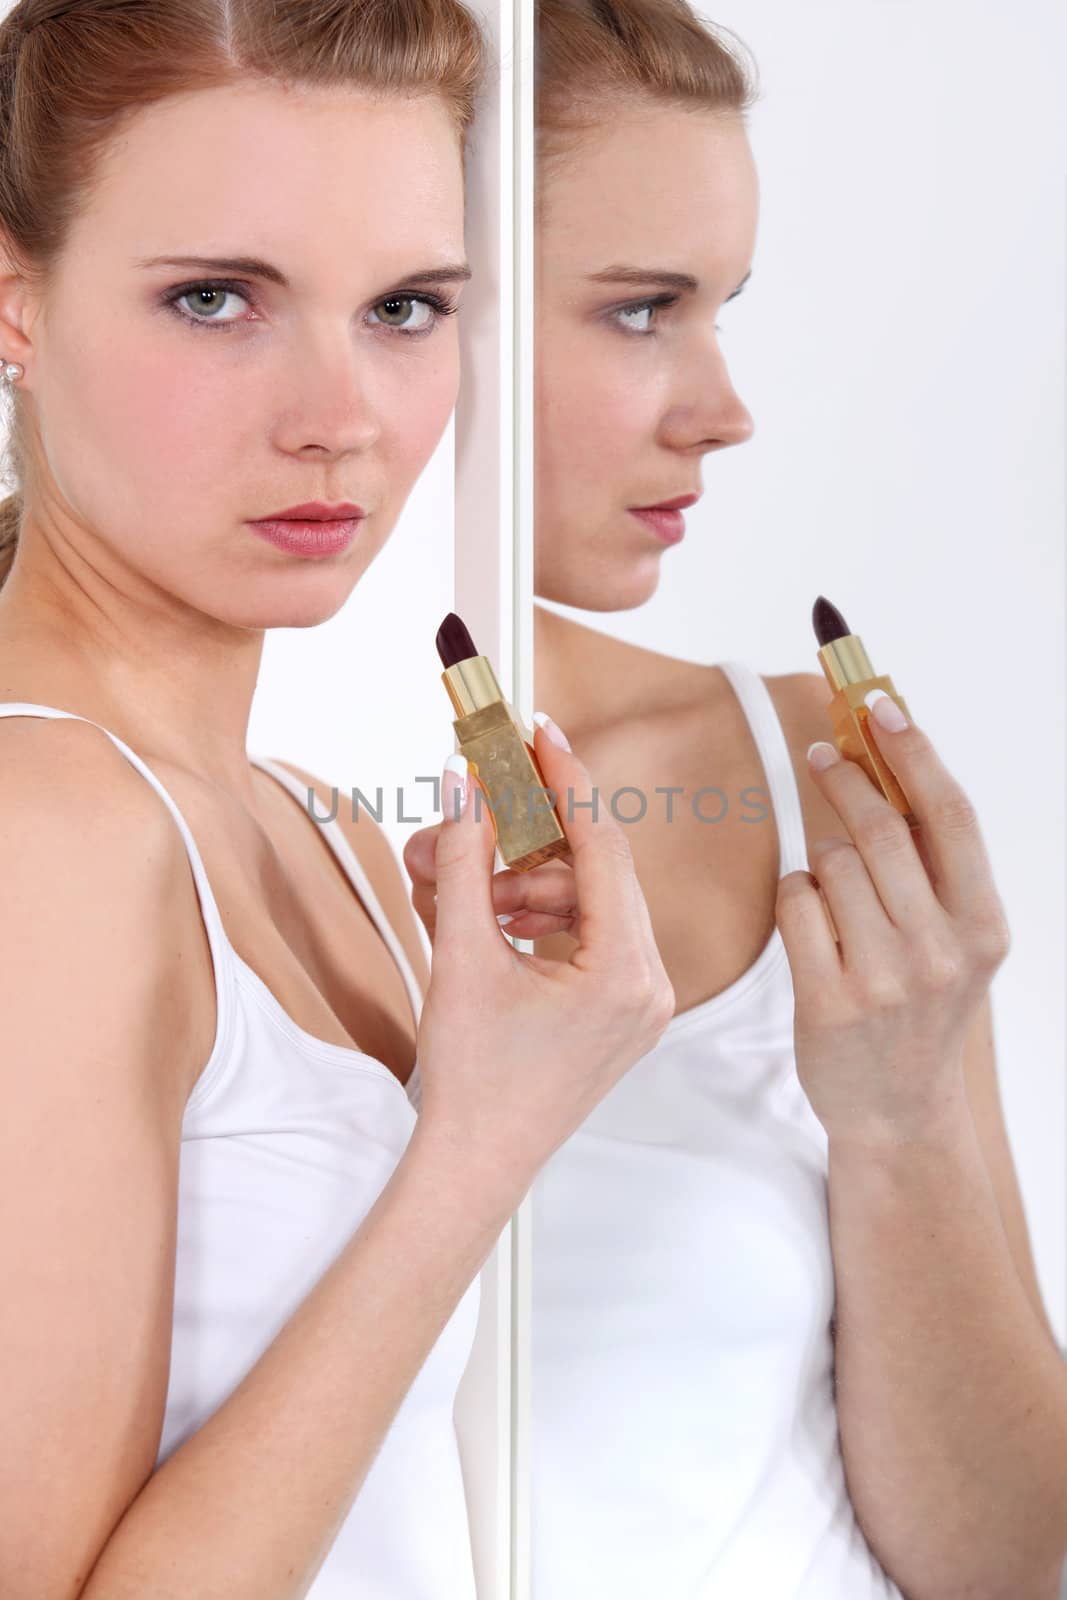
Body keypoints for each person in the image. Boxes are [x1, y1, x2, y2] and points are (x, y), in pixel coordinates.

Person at [0, 3, 675, 1596]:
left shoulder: (327, 829)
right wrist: (485, 1142)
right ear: (12, 299)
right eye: (217, 298)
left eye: (405, 306)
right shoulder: (51, 831)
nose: (340, 415)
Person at [405, 1, 1067, 1595]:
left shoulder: (804, 784)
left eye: (722, 310)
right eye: (642, 312)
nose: (725, 406)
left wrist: (906, 1117)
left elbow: (1007, 1558)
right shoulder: (134, 796)